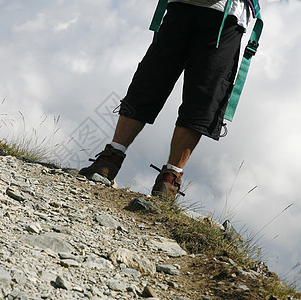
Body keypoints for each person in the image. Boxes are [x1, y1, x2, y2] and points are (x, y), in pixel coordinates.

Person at [79, 0, 252, 199]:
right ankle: (169, 179)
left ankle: (111, 160)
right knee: (200, 95)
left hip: (199, 10)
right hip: (222, 14)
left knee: (153, 80)